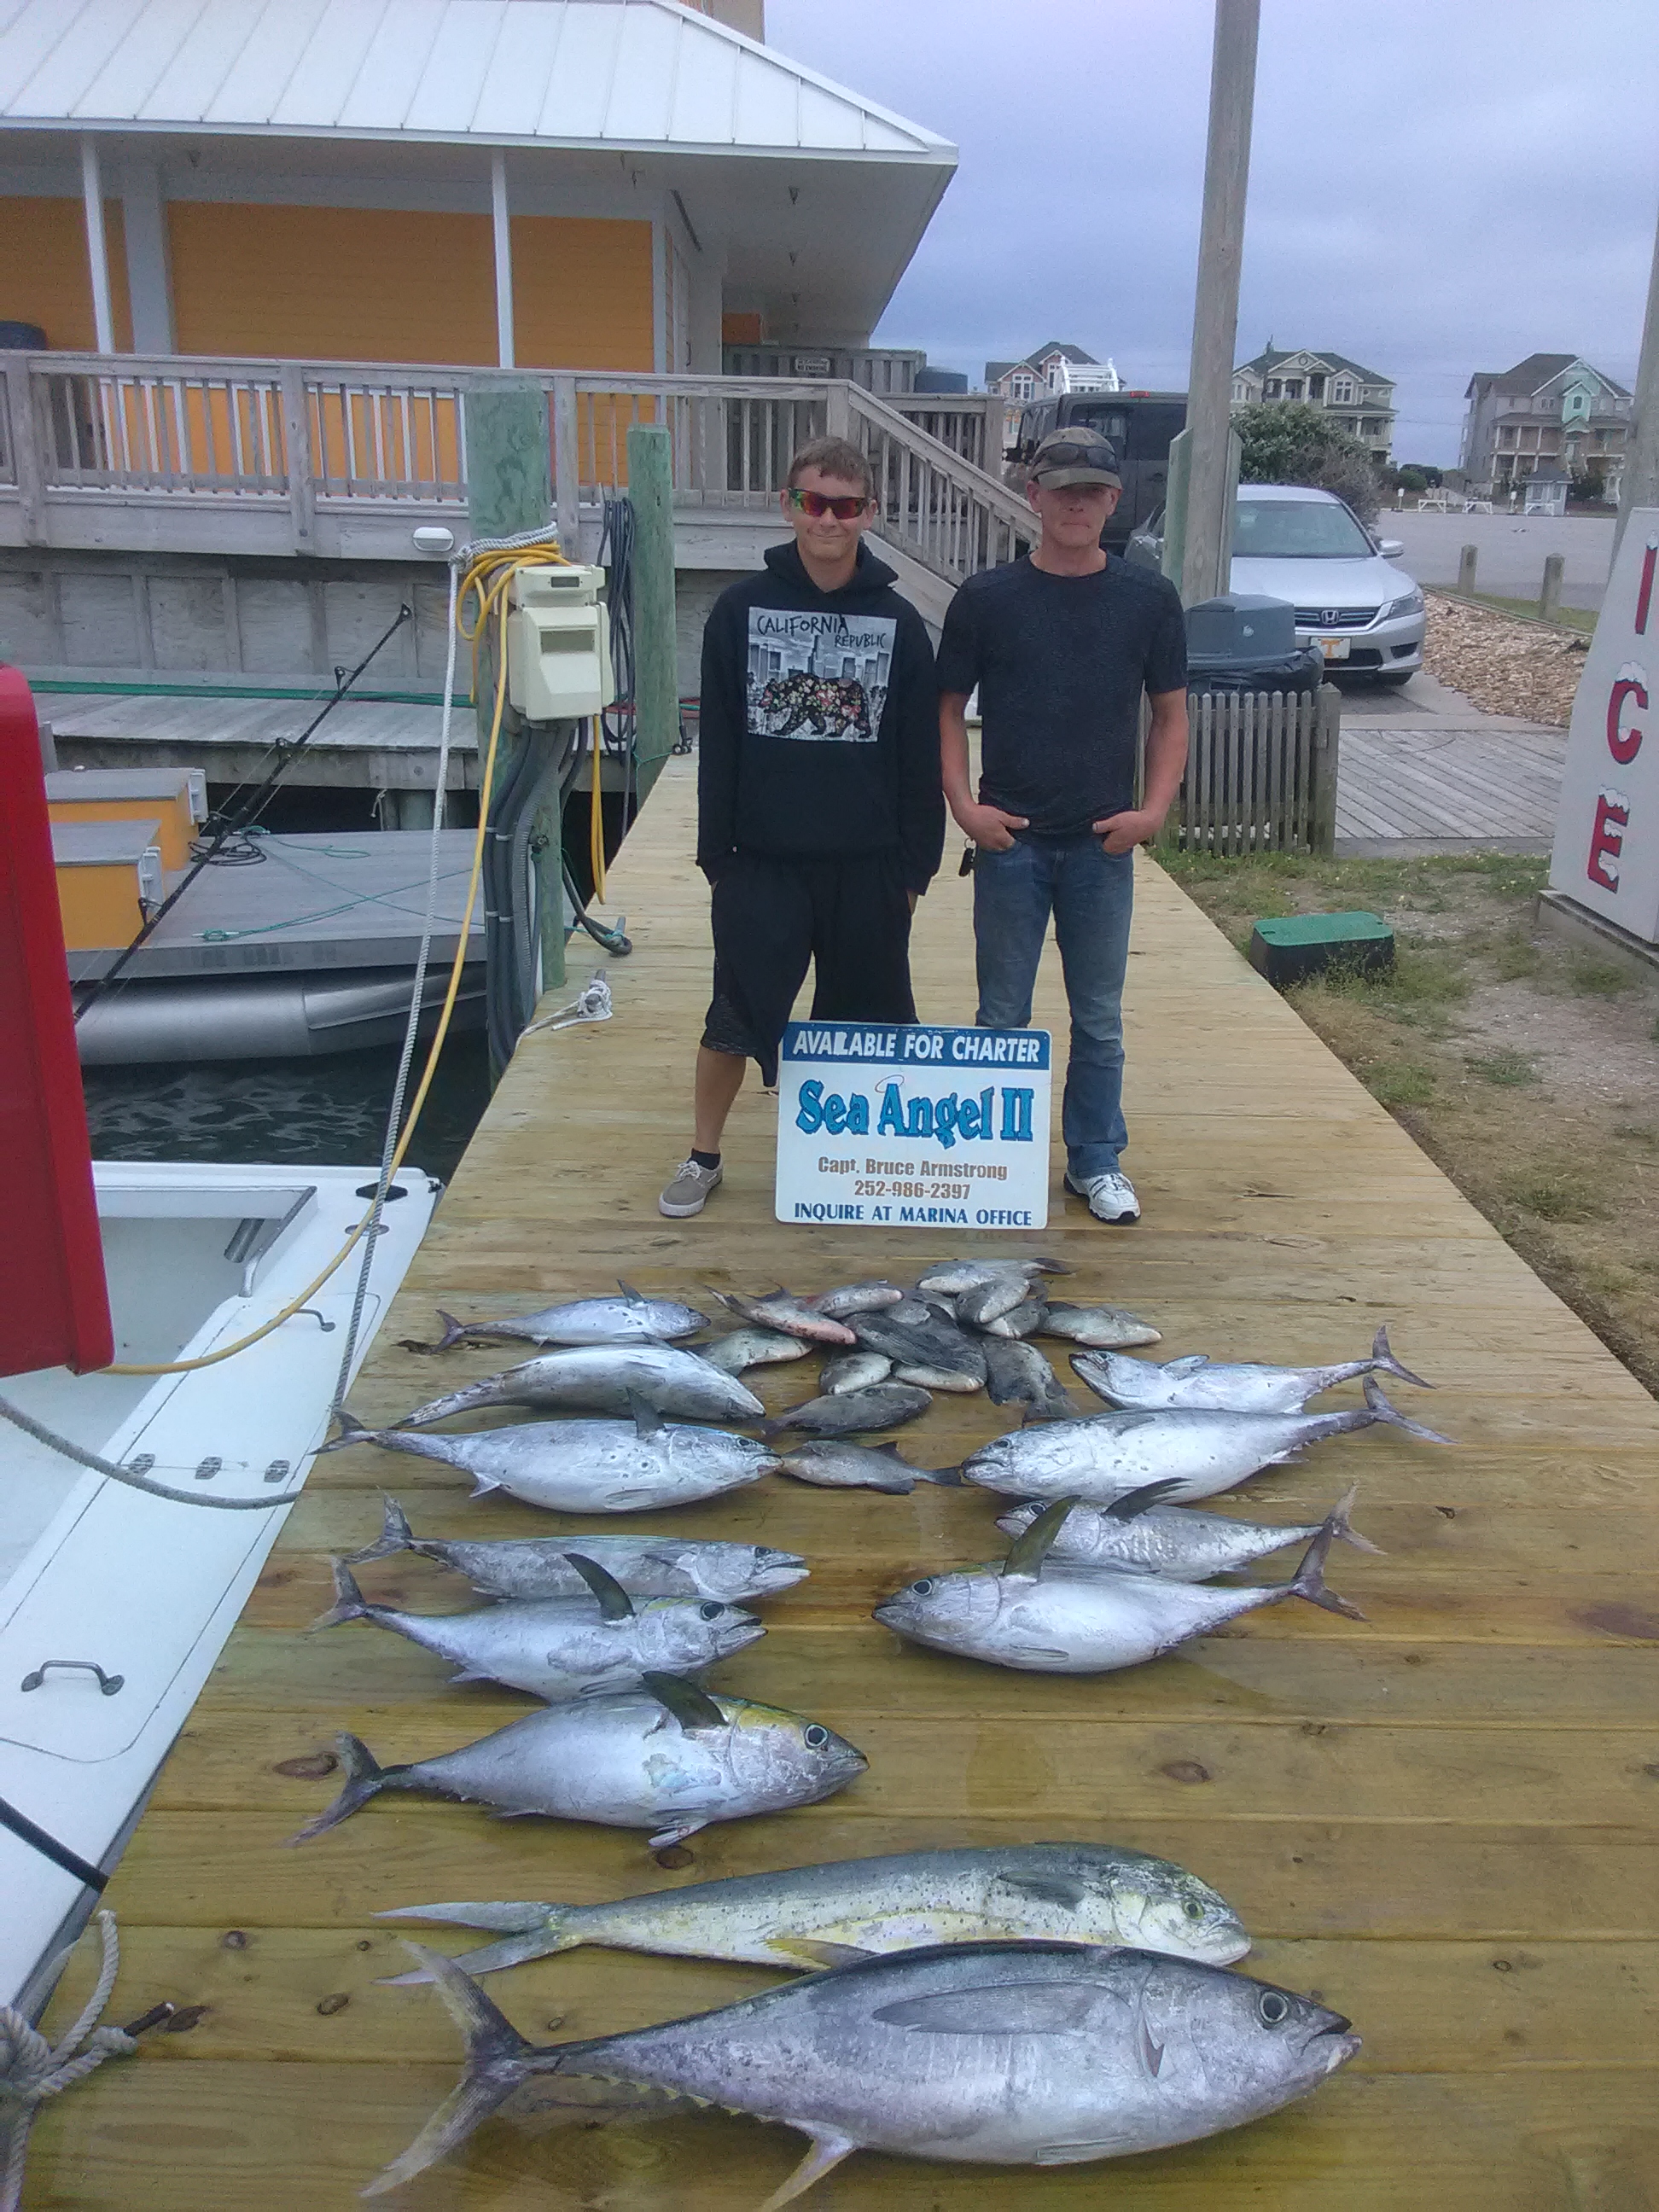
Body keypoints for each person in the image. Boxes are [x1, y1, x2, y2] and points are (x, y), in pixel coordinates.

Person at [659, 436, 945, 1219]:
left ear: (869, 515)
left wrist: (916, 869)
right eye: (813, 502)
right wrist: (718, 856)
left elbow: (918, 755)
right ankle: (703, 1155)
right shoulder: (738, 609)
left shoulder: (899, 621)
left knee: (872, 1025)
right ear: (788, 506)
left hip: (870, 868)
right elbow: (717, 738)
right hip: (761, 864)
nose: (828, 519)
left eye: (845, 506)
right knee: (734, 1017)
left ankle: (868, 1166)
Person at [936, 425, 1189, 1225]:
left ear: (1115, 500)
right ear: (1032, 495)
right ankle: (991, 1167)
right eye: (1062, 488)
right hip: (1010, 840)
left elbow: (1171, 716)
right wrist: (964, 807)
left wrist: (1152, 812)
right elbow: (944, 710)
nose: (1076, 503)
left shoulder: (1149, 598)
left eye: (1094, 490)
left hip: (1101, 844)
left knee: (1100, 1018)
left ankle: (1095, 1159)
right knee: (1000, 1016)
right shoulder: (986, 598)